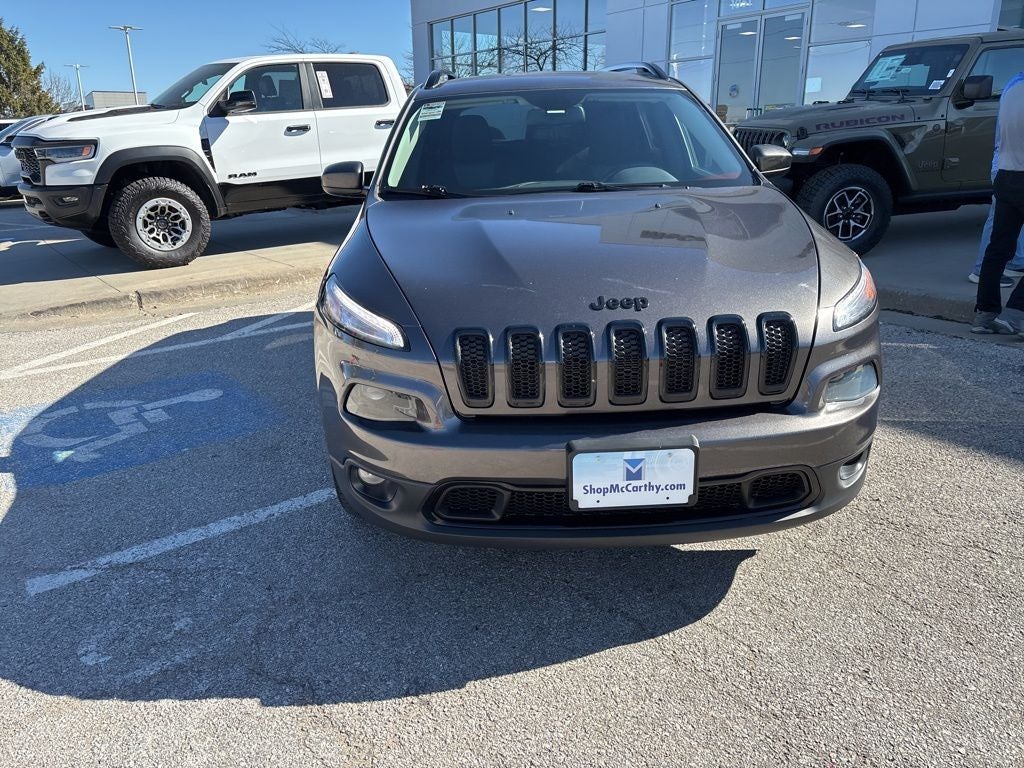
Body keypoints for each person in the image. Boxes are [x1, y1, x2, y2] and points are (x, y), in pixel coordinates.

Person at [973, 70, 1024, 335]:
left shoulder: (1012, 88)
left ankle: (985, 314)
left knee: (998, 248)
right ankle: (1018, 315)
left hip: (1006, 174)